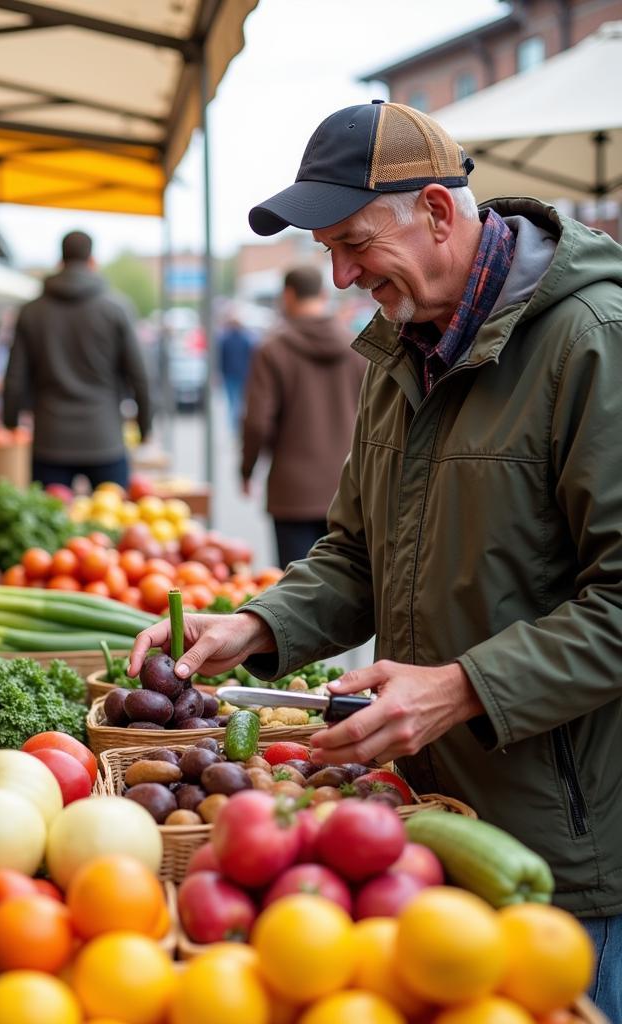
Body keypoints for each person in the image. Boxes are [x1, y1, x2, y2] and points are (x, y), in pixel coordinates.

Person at [130, 100, 622, 1017]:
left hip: (561, 850)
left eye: (354, 242)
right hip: (423, 819)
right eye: (327, 251)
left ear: (438, 211)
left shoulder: (592, 342)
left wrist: (462, 686)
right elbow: (356, 550)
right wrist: (259, 624)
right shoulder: (404, 354)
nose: (343, 273)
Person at [2, 230, 152, 490]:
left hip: (51, 439)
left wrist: (10, 422)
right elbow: (139, 375)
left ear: (59, 263)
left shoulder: (31, 312)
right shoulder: (116, 308)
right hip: (104, 438)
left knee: (49, 524)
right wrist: (144, 426)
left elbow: (15, 377)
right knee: (112, 523)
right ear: (92, 262)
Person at [240, 266, 364, 568]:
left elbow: (257, 421)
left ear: (288, 295)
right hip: (349, 489)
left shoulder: (272, 350)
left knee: (295, 594)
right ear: (323, 295)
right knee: (349, 589)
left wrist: (247, 470)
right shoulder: (358, 347)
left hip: (291, 491)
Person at [217, 310, 255, 434]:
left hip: (229, 374)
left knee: (232, 402)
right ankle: (237, 425)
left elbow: (221, 359)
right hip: (242, 374)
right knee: (240, 402)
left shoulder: (224, 339)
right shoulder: (246, 339)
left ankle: (234, 427)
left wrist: (219, 373)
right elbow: (251, 358)